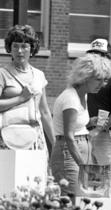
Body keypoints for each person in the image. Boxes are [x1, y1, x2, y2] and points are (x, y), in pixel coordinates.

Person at [50, 53, 111, 199]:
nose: (102, 84)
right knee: (73, 199)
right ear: (85, 77)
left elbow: (74, 125)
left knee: (83, 199)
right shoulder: (71, 98)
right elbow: (69, 136)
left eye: (105, 80)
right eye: (98, 79)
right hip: (69, 151)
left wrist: (90, 122)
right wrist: (84, 166)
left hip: (80, 148)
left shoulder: (82, 94)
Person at [0, 24, 55, 152]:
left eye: (24, 46)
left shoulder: (39, 75)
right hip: (8, 137)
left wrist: (55, 143)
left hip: (35, 137)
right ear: (10, 48)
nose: (19, 51)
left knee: (34, 172)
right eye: (15, 46)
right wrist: (20, 98)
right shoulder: (2, 74)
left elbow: (45, 112)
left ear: (32, 48)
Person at [86, 38, 111, 165]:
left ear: (108, 57)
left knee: (107, 174)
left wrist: (97, 130)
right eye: (92, 54)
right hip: (92, 133)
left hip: (108, 135)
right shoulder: (92, 78)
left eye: (99, 55)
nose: (95, 58)